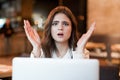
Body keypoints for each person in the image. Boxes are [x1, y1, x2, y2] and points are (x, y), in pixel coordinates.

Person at [24, 6, 95, 59]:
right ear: (50, 29)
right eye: (55, 24)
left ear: (72, 29)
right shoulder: (41, 52)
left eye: (65, 24)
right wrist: (36, 47)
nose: (60, 28)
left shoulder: (82, 51)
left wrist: (79, 51)